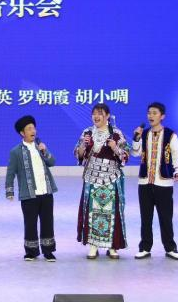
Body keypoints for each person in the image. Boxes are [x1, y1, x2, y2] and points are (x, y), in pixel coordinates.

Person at [131, 102, 178, 260]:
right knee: (145, 218)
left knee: (166, 218)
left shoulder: (170, 135)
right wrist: (136, 138)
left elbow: (177, 154)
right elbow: (135, 153)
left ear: (162, 116)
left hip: (164, 183)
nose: (151, 116)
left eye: (154, 113)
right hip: (145, 183)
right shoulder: (144, 134)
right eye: (149, 113)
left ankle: (170, 248)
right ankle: (145, 247)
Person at [75, 103, 129, 260]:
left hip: (111, 178)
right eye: (94, 113)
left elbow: (125, 155)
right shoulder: (87, 132)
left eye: (100, 113)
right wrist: (83, 146)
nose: (96, 116)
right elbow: (79, 155)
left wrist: (115, 148)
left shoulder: (116, 134)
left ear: (107, 116)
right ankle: (93, 245)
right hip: (92, 178)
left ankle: (113, 246)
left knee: (112, 212)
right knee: (92, 211)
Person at [5, 115, 58, 262]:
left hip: (46, 192)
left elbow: (52, 162)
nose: (33, 131)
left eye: (34, 128)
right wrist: (9, 191)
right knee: (30, 223)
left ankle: (48, 251)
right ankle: (31, 251)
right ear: (22, 133)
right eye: (29, 129)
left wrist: (45, 151)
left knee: (47, 222)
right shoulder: (16, 151)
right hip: (28, 194)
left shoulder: (40, 147)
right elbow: (11, 172)